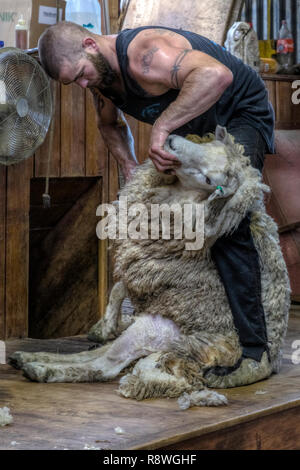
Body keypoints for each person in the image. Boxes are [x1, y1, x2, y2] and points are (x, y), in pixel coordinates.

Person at [38, 21, 275, 385]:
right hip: (195, 122)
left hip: (239, 113)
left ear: (89, 44)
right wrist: (131, 167)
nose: (83, 85)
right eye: (75, 83)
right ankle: (190, 323)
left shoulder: (145, 53)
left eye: (81, 75)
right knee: (166, 220)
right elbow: (110, 125)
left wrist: (161, 129)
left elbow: (216, 75)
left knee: (227, 220)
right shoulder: (101, 78)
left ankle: (256, 352)